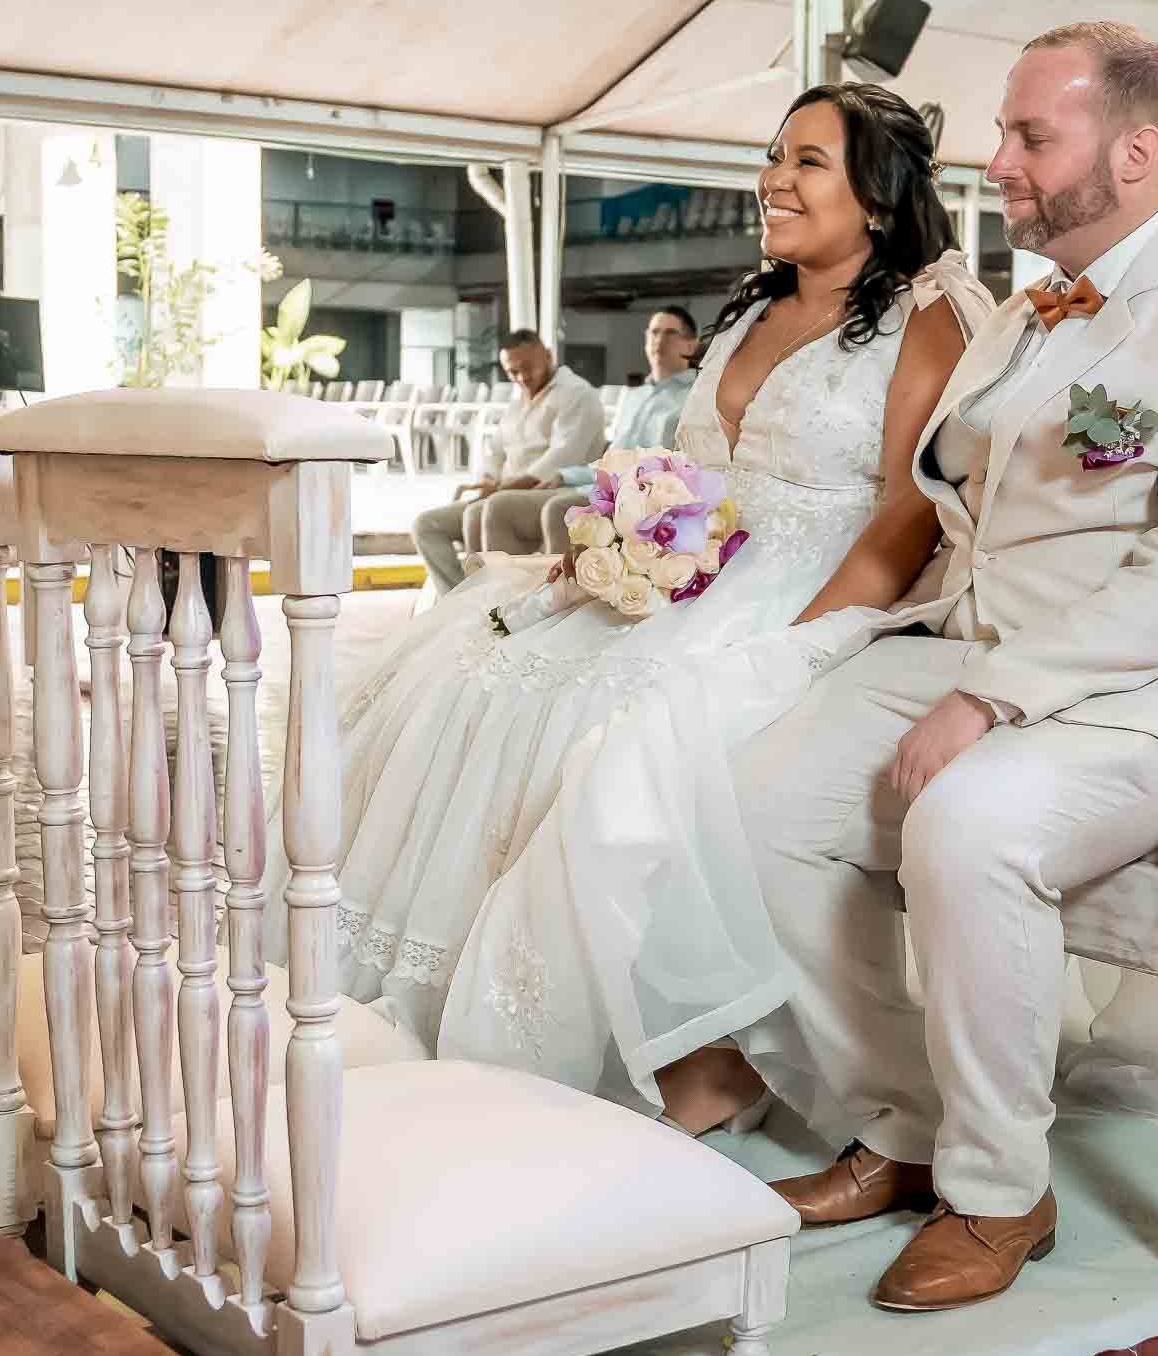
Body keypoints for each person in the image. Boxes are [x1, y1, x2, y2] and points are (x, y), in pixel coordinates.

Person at [710, 21, 1158, 1313]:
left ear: (1136, 152)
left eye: (1030, 136)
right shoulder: (1024, 309)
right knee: (753, 786)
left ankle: (999, 1189)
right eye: (1002, 131)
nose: (995, 159)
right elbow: (962, 492)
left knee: (971, 821)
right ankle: (902, 1117)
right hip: (990, 641)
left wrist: (986, 697)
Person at [287, 84, 990, 1118]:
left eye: (807, 162)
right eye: (773, 155)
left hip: (809, 586)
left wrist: (800, 645)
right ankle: (430, 982)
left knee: (605, 711)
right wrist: (617, 536)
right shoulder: (754, 305)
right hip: (699, 564)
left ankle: (692, 1041)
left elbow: (905, 512)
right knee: (482, 668)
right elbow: (693, 467)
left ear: (879, 198)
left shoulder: (923, 322)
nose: (773, 179)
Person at [409, 331, 603, 592]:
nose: (521, 377)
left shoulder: (577, 394)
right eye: (513, 372)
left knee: (486, 509)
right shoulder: (516, 402)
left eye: (528, 368)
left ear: (548, 356)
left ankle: (495, 599)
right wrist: (487, 481)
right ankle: (458, 598)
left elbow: (562, 458)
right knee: (426, 525)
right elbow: (495, 452)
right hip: (501, 491)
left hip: (549, 491)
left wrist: (500, 489)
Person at [526, 306, 702, 549]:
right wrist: (565, 475)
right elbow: (611, 460)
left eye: (670, 333)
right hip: (601, 488)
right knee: (496, 508)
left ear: (691, 346)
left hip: (644, 498)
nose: (659, 340)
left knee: (556, 510)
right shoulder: (633, 396)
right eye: (654, 332)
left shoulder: (695, 397)